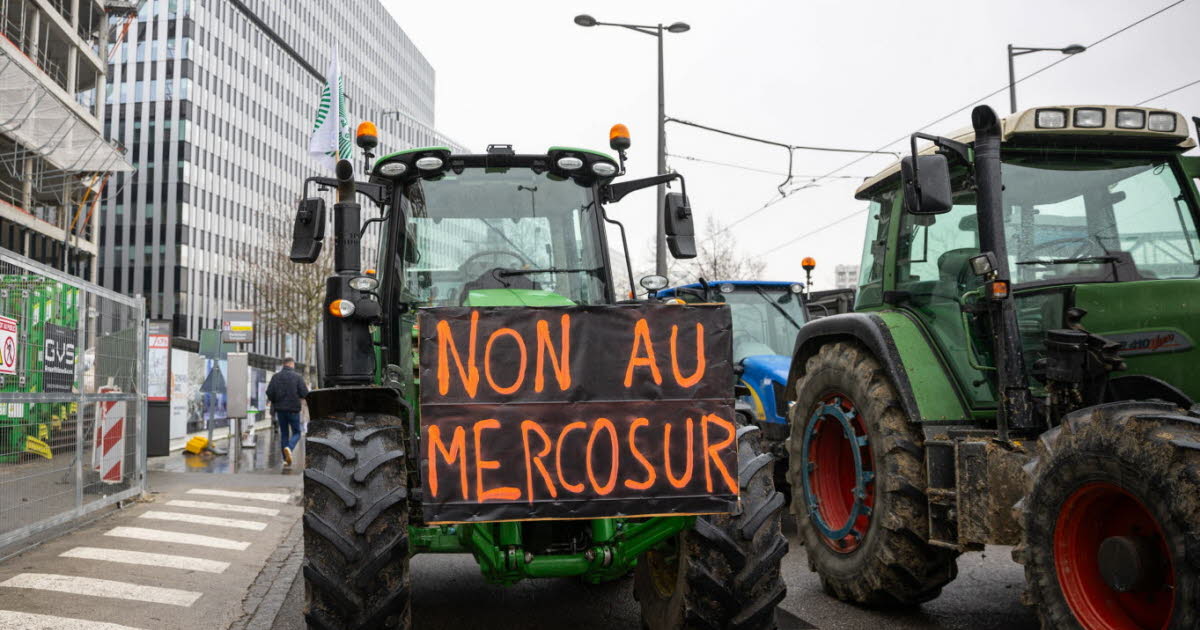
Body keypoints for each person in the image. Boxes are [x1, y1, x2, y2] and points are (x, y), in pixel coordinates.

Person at [266, 358, 308, 466]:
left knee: (284, 434)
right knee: (297, 433)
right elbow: (304, 393)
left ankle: (286, 459)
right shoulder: (297, 377)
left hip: (280, 411)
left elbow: (269, 393)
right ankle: (289, 448)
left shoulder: (276, 377)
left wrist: (276, 401)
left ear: (283, 365)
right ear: (291, 364)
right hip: (293, 410)